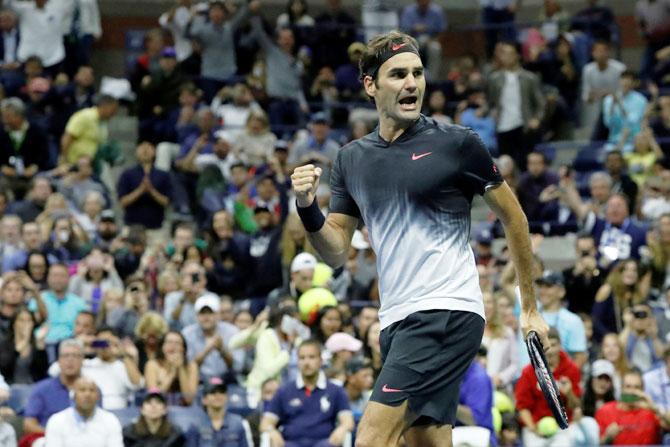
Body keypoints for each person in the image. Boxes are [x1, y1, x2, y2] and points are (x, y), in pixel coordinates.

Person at [290, 30, 549, 447]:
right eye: (398, 75)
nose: (412, 83)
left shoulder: (458, 145)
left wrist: (530, 307)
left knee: (372, 437)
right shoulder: (352, 159)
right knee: (425, 440)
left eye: (417, 73)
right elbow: (336, 250)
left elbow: (514, 218)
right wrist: (307, 207)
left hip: (445, 311)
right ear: (371, 85)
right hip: (397, 318)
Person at [260, 339, 354, 447]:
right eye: (302, 358)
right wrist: (272, 431)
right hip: (291, 444)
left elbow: (348, 421)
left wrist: (342, 429)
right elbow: (266, 422)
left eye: (311, 357)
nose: (306, 362)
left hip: (324, 444)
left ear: (320, 360)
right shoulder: (284, 391)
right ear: (297, 362)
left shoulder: (336, 390)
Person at [23, 339, 83, 435]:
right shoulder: (42, 389)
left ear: (82, 360)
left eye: (75, 356)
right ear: (58, 361)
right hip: (48, 439)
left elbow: (99, 422)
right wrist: (55, 435)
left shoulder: (92, 390)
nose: (70, 360)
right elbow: (29, 424)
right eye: (66, 356)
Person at [44, 377, 124, 447]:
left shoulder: (110, 420)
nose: (87, 394)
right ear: (73, 395)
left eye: (92, 390)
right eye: (82, 390)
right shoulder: (57, 420)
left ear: (98, 397)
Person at [595, 369, 665, 445]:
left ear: (642, 390)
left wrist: (654, 407)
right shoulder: (604, 411)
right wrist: (607, 437)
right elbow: (594, 444)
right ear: (622, 389)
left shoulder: (651, 412)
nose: (632, 391)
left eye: (636, 387)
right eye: (628, 387)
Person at [184, 377, 253, 446]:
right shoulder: (196, 425)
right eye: (213, 392)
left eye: (222, 392)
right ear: (204, 399)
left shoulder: (237, 423)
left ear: (227, 397)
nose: (218, 395)